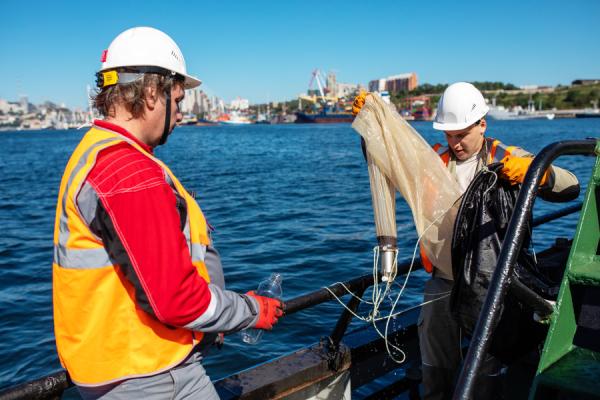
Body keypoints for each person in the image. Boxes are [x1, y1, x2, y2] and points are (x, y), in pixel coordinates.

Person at [52, 26, 283, 400]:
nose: (179, 114)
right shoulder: (126, 171)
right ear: (149, 93)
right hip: (147, 375)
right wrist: (249, 310)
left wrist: (210, 321)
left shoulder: (101, 153)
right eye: (177, 100)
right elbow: (176, 298)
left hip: (144, 364)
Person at [353, 82, 580, 399]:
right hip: (443, 283)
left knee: (485, 375)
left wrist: (535, 172)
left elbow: (570, 187)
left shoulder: (507, 158)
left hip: (492, 285)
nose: (455, 143)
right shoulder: (434, 163)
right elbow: (391, 158)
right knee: (434, 369)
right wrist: (374, 122)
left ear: (482, 124)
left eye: (462, 134)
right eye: (449, 135)